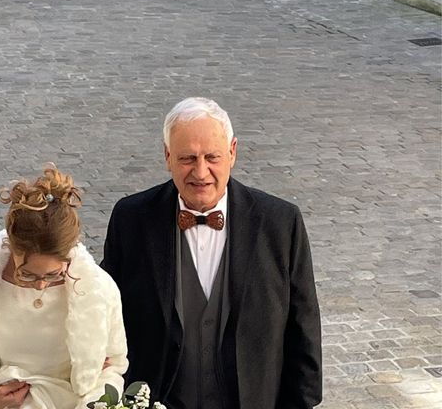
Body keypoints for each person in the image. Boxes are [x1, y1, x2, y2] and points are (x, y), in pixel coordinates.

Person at [101, 97, 322, 409]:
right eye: (188, 158)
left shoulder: (281, 223)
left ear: (232, 152)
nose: (201, 172)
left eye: (212, 157)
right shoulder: (131, 219)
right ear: (167, 156)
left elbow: (305, 331)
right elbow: (104, 314)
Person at [0, 165, 128, 409]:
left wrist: (94, 402)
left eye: (53, 275)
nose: (40, 285)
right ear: (12, 248)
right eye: (26, 274)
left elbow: (114, 364)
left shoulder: (99, 289)